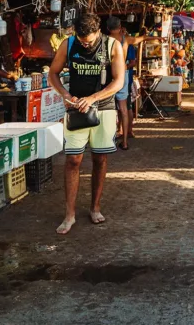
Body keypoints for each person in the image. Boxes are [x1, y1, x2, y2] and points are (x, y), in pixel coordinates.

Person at [48, 12, 126, 234]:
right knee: (73, 160)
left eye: (89, 41)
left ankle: (95, 207)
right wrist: (66, 95)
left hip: (104, 109)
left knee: (100, 158)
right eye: (82, 41)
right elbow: (53, 74)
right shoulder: (68, 44)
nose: (85, 44)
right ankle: (69, 214)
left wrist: (92, 98)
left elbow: (119, 81)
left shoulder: (113, 45)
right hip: (75, 111)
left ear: (98, 32)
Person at [106, 17, 156, 151]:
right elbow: (141, 38)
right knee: (123, 109)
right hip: (121, 76)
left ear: (107, 28)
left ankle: (107, 139)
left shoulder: (104, 40)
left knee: (106, 109)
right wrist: (152, 37)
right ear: (120, 25)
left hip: (107, 77)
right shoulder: (125, 39)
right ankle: (125, 142)